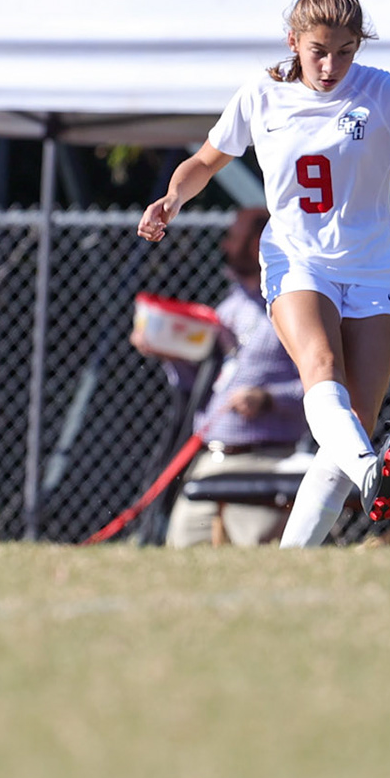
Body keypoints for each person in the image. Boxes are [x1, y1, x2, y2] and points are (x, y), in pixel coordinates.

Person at [138, 0, 390, 547]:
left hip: (372, 269)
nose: (332, 64)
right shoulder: (261, 95)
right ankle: (371, 471)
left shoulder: (381, 92)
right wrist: (171, 199)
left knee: (350, 427)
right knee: (320, 365)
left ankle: (295, 560)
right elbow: (206, 161)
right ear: (293, 41)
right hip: (296, 259)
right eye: (319, 50)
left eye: (346, 50)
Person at [140, 208, 307, 548]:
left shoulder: (295, 309)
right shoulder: (230, 308)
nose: (225, 245)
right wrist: (171, 355)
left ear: (259, 243)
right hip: (210, 460)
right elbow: (202, 385)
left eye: (235, 236)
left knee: (254, 556)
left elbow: (321, 385)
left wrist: (268, 398)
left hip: (264, 461)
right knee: (181, 552)